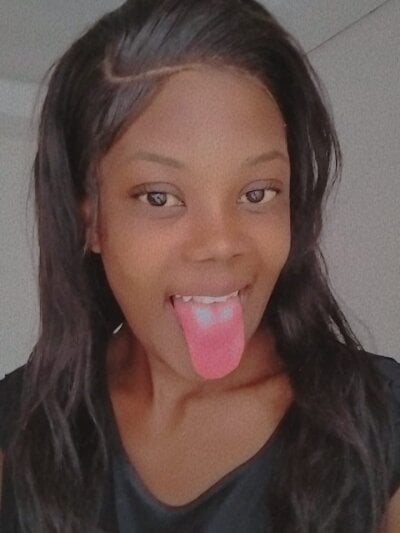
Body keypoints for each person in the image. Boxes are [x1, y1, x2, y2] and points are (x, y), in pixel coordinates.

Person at [0, 0, 399, 531]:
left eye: (258, 192)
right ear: (90, 221)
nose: (220, 243)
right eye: (160, 197)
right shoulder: (19, 422)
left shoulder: (382, 421)